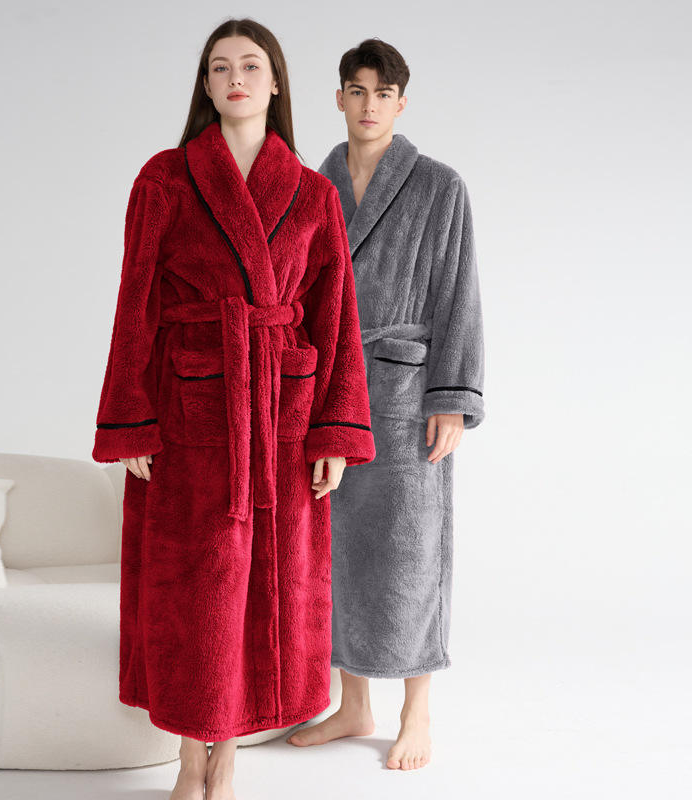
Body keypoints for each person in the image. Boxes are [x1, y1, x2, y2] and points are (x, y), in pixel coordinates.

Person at [91, 19, 375, 800]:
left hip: (283, 411)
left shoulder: (313, 193)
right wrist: (131, 417)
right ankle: (194, 755)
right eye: (220, 68)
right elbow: (135, 302)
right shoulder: (164, 179)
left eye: (251, 66)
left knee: (265, 591)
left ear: (276, 82)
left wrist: (336, 430)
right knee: (199, 590)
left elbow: (335, 315)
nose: (236, 78)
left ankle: (233, 757)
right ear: (206, 86)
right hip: (192, 405)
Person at [286, 38, 485, 772]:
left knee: (407, 551)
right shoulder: (312, 186)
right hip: (327, 393)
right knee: (334, 550)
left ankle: (416, 711)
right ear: (338, 97)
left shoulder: (439, 186)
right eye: (357, 90)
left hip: (402, 393)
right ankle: (353, 704)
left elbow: (458, 293)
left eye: (383, 93)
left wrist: (451, 397)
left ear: (402, 103)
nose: (369, 105)